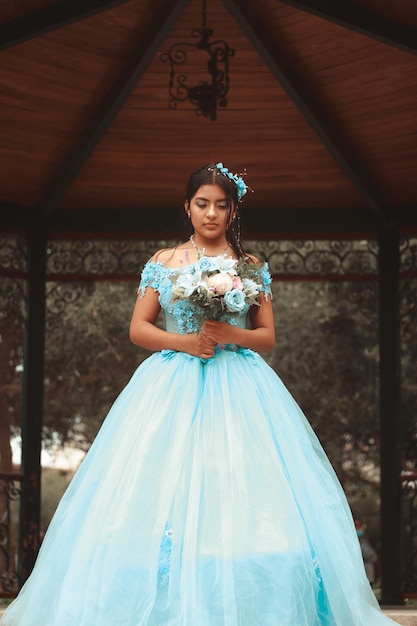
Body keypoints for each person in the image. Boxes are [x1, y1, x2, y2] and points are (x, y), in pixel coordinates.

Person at [0, 163, 396, 625]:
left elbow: (266, 337)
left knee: (241, 482)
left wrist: (232, 332)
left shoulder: (250, 267)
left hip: (240, 386)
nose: (212, 213)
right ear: (187, 207)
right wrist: (186, 342)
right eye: (202, 203)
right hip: (171, 383)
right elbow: (139, 328)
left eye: (222, 205)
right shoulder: (164, 262)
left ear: (232, 211)